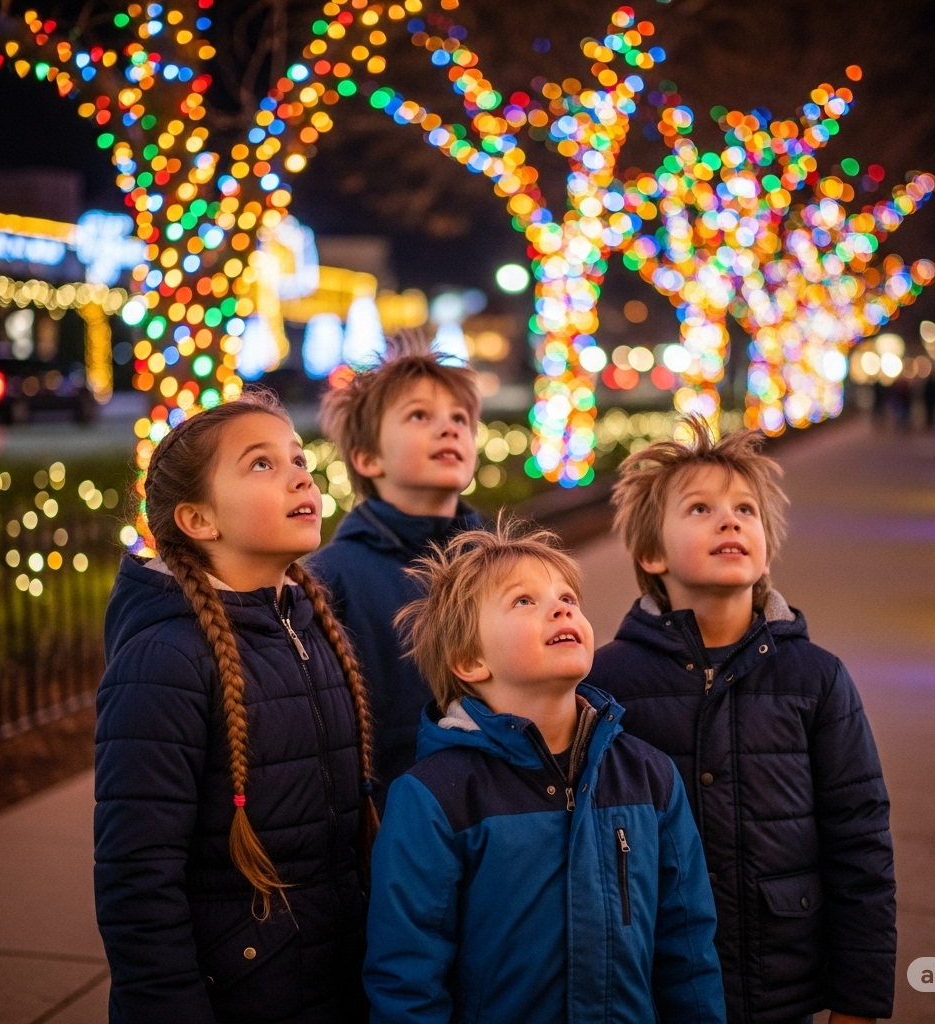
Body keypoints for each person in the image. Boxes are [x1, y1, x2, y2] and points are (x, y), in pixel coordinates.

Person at [586, 418, 896, 1024]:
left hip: (781, 985)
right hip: (652, 984)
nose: (729, 520)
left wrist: (859, 1001)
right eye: (699, 509)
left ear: (765, 548)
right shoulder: (606, 684)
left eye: (745, 510)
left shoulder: (815, 678)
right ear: (652, 553)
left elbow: (859, 838)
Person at [364, 523, 726, 1024]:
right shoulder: (434, 798)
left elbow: (687, 951)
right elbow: (406, 980)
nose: (562, 609)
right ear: (470, 660)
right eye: (523, 602)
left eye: (567, 598)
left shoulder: (650, 776)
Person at [94, 391, 378, 1024]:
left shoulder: (311, 628)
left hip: (335, 981)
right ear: (199, 520)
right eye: (261, 464)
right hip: (240, 994)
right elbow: (137, 882)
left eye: (298, 458)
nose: (302, 474)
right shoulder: (165, 663)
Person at [308, 334, 483, 812]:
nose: (448, 428)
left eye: (460, 418)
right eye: (419, 416)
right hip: (394, 821)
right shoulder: (327, 580)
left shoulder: (502, 565)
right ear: (368, 458)